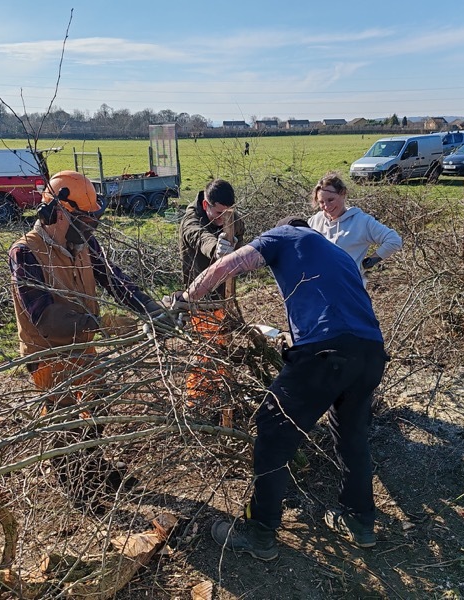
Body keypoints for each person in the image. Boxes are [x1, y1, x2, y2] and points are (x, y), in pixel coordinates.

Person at [166, 216, 388, 560]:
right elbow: (335, 309)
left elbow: (232, 262)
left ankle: (260, 532)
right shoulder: (338, 254)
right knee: (352, 435)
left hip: (327, 352)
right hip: (370, 353)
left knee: (272, 426)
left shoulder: (285, 234)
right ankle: (359, 521)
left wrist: (187, 296)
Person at [8, 170, 170, 505]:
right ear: (57, 212)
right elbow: (44, 318)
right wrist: (102, 323)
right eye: (84, 220)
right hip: (48, 352)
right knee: (64, 417)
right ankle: (79, 489)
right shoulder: (25, 253)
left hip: (84, 345)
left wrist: (150, 308)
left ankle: (93, 467)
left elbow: (114, 279)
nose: (89, 228)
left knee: (96, 404)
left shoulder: (83, 243)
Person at [178, 179, 247, 406]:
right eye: (218, 213)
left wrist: (236, 244)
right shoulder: (191, 219)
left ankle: (221, 400)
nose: (223, 218)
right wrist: (216, 249)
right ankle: (196, 404)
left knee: (221, 351)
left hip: (225, 297)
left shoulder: (230, 215)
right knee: (204, 354)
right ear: (206, 205)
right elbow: (197, 237)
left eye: (227, 213)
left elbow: (240, 232)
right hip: (201, 300)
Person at [307, 172, 402, 285]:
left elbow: (394, 240)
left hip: (350, 289)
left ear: (343, 193)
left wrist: (366, 264)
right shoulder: (314, 221)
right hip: (321, 290)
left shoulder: (361, 221)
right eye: (322, 202)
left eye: (331, 200)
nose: (327, 206)